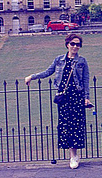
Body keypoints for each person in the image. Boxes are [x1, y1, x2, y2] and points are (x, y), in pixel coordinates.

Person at [25, 33, 91, 169]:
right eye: (73, 44)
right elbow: (47, 72)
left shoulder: (82, 61)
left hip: (76, 97)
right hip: (63, 98)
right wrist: (32, 76)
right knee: (65, 125)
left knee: (76, 126)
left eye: (78, 44)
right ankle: (72, 155)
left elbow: (85, 80)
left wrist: (86, 97)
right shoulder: (59, 60)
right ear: (67, 44)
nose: (75, 46)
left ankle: (74, 156)